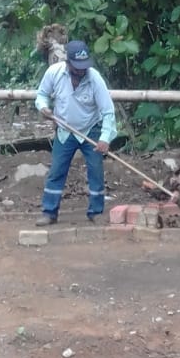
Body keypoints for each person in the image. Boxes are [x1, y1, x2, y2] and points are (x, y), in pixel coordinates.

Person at [34, 39, 117, 226]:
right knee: (56, 171)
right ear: (68, 62)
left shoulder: (95, 79)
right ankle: (49, 212)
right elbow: (41, 95)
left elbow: (108, 111)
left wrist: (105, 138)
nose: (81, 70)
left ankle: (96, 212)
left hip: (91, 129)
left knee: (96, 171)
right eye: (77, 66)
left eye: (84, 66)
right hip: (65, 130)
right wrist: (43, 107)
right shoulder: (54, 73)